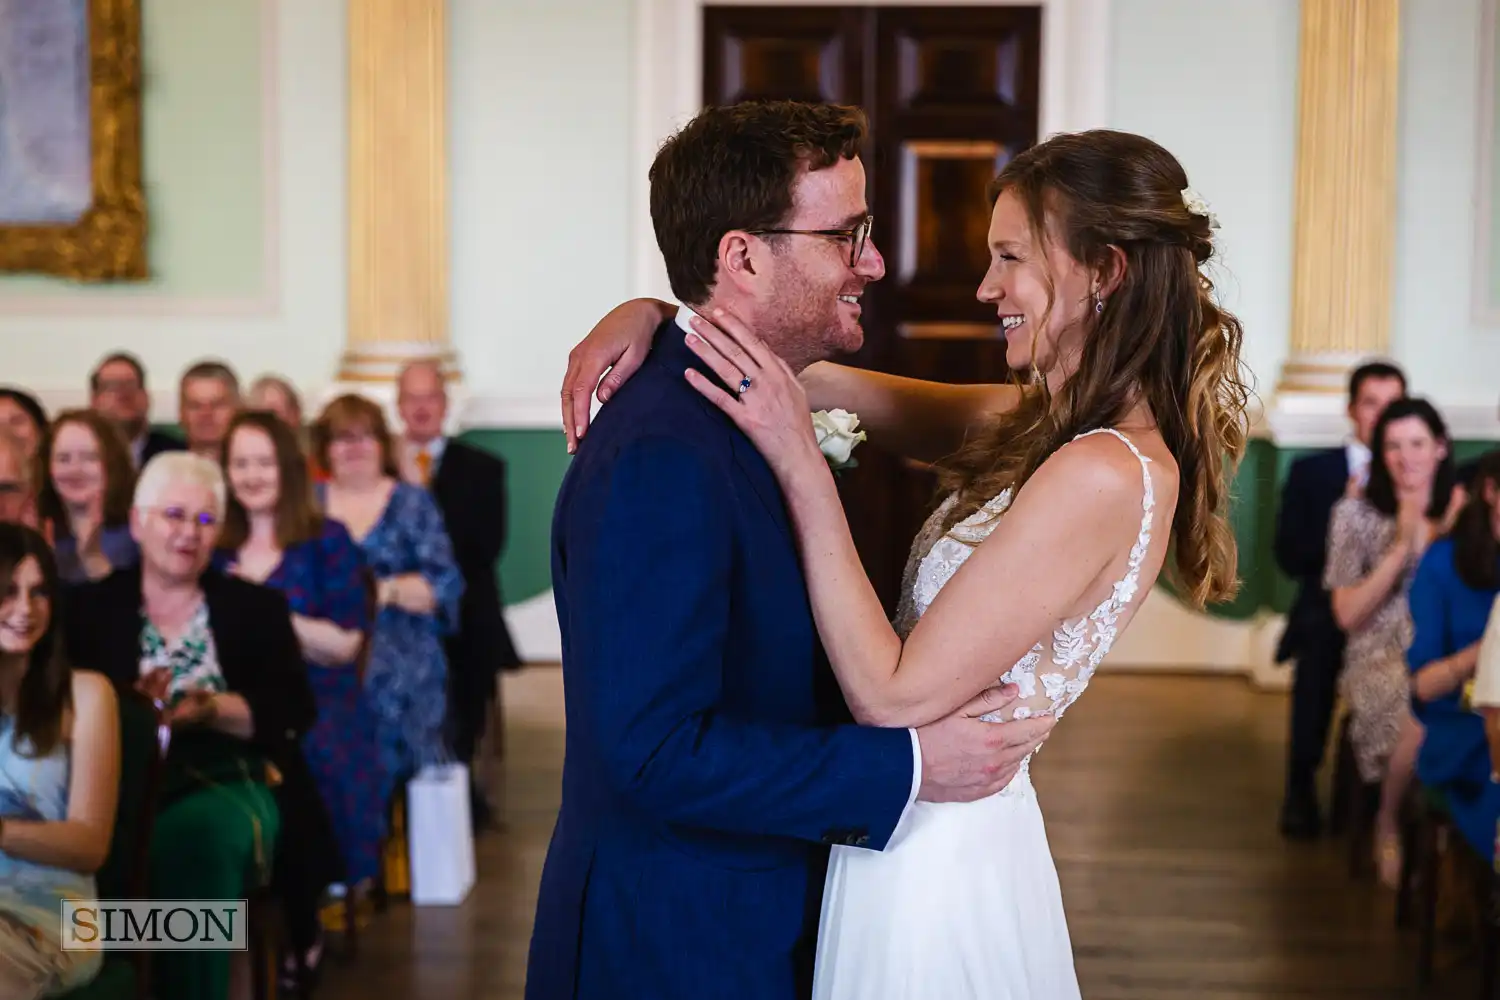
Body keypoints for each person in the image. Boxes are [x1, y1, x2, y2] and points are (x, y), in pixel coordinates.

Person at [557, 110, 1249, 999]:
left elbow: (888, 696)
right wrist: (665, 312)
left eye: (1011, 258)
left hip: (941, 857)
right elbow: (814, 378)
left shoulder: (1104, 473)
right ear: (742, 253)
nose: (981, 288)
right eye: (849, 236)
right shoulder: (1043, 428)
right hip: (887, 836)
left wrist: (802, 463)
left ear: (1104, 272)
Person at [61, 452, 320, 1000]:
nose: (188, 533)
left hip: (227, 775)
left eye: (204, 521)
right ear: (137, 521)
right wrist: (131, 711)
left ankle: (190, 984)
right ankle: (122, 973)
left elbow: (293, 710)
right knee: (104, 850)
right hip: (113, 783)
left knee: (195, 844)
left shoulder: (255, 607)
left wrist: (214, 709)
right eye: (173, 515)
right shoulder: (89, 609)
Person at [216, 410, 380, 986]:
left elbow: (344, 643)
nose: (252, 475)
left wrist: (263, 610)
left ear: (286, 469)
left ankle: (301, 922)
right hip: (232, 702)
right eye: (240, 463)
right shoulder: (214, 542)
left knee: (302, 759)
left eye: (263, 462)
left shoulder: (325, 541)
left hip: (320, 700)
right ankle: (212, 933)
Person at [1324, 397, 1458, 886]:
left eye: (1418, 443)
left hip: (1451, 649)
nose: (1407, 457)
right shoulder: (1354, 512)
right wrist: (1400, 548)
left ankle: (1463, 842)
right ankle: (1388, 819)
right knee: (1414, 705)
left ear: (1440, 448)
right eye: (1393, 446)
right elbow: (1348, 616)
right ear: (1379, 452)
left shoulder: (1467, 511)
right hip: (1380, 653)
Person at [1273, 361, 1406, 839]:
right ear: (1353, 409)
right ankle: (1301, 787)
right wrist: (1344, 524)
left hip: (1397, 612)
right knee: (1319, 655)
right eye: (1373, 403)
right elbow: (1289, 554)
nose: (1383, 415)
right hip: (1329, 606)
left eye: (1394, 404)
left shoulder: (1412, 467)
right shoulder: (1314, 471)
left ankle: (1383, 795)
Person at [396, 358, 520, 825]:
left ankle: (456, 786)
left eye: (431, 397)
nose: (422, 408)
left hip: (465, 613)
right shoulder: (381, 465)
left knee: (467, 678)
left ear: (444, 404)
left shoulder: (483, 468)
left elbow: (485, 546)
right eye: (413, 397)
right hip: (397, 615)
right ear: (399, 405)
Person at [0, 524, 119, 1000]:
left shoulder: (88, 694)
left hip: (56, 916)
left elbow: (90, 844)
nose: (26, 609)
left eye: (40, 592)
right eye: (7, 591)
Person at [1407, 452, 1500, 862]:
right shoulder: (1444, 563)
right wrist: (1488, 652)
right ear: (1491, 491)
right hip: (1463, 730)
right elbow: (1423, 686)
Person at [37, 410, 139, 583]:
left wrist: (92, 558)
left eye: (89, 458)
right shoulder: (40, 530)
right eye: (63, 459)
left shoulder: (137, 535)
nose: (75, 469)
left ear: (113, 465)